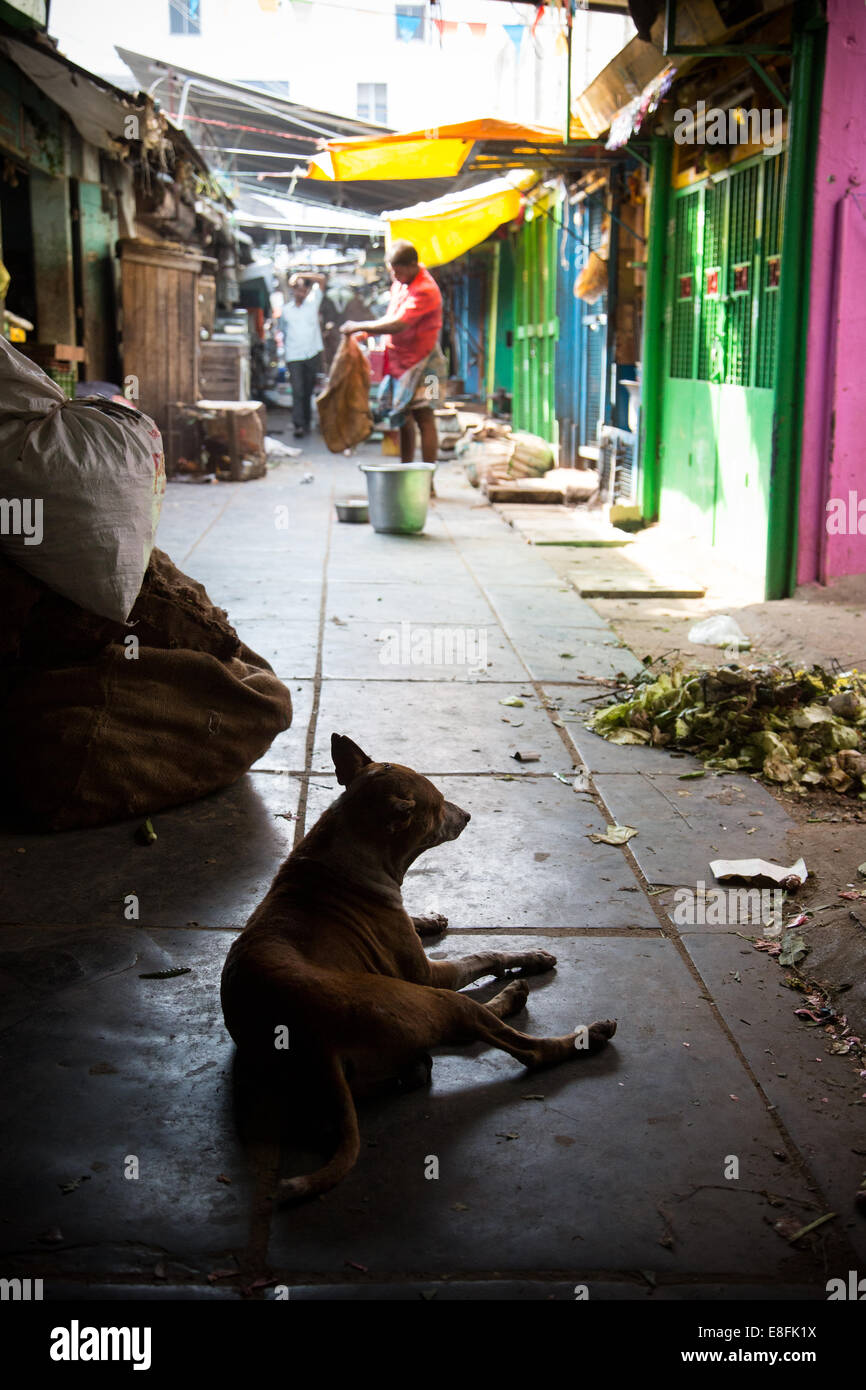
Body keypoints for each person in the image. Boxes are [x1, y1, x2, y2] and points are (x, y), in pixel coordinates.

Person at [340, 241, 445, 468]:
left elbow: (399, 323)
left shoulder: (425, 289)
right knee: (403, 418)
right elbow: (390, 316)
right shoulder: (401, 284)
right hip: (400, 362)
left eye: (398, 270)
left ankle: (428, 480)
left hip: (427, 363)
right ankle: (406, 474)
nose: (395, 275)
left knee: (425, 417)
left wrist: (359, 326)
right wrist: (366, 333)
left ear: (411, 265)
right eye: (392, 271)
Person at [281, 272, 326, 438]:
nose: (300, 293)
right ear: (293, 291)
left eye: (303, 290)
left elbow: (321, 280)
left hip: (311, 353)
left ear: (307, 291)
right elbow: (283, 332)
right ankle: (298, 424)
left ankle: (306, 422)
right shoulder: (286, 311)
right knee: (298, 390)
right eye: (297, 289)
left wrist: (299, 274)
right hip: (294, 356)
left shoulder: (313, 303)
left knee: (307, 391)